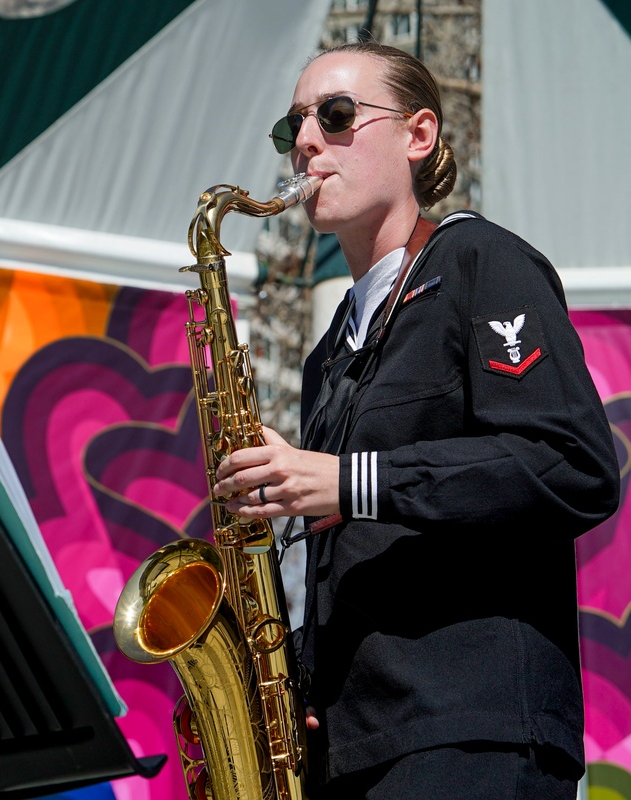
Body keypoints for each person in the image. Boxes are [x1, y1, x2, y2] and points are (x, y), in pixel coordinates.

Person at [212, 41, 620, 799]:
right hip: (357, 747)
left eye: (335, 116)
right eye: (291, 126)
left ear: (419, 134)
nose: (305, 142)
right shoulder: (329, 353)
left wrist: (346, 480)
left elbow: (573, 465)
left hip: (471, 734)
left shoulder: (479, 261)